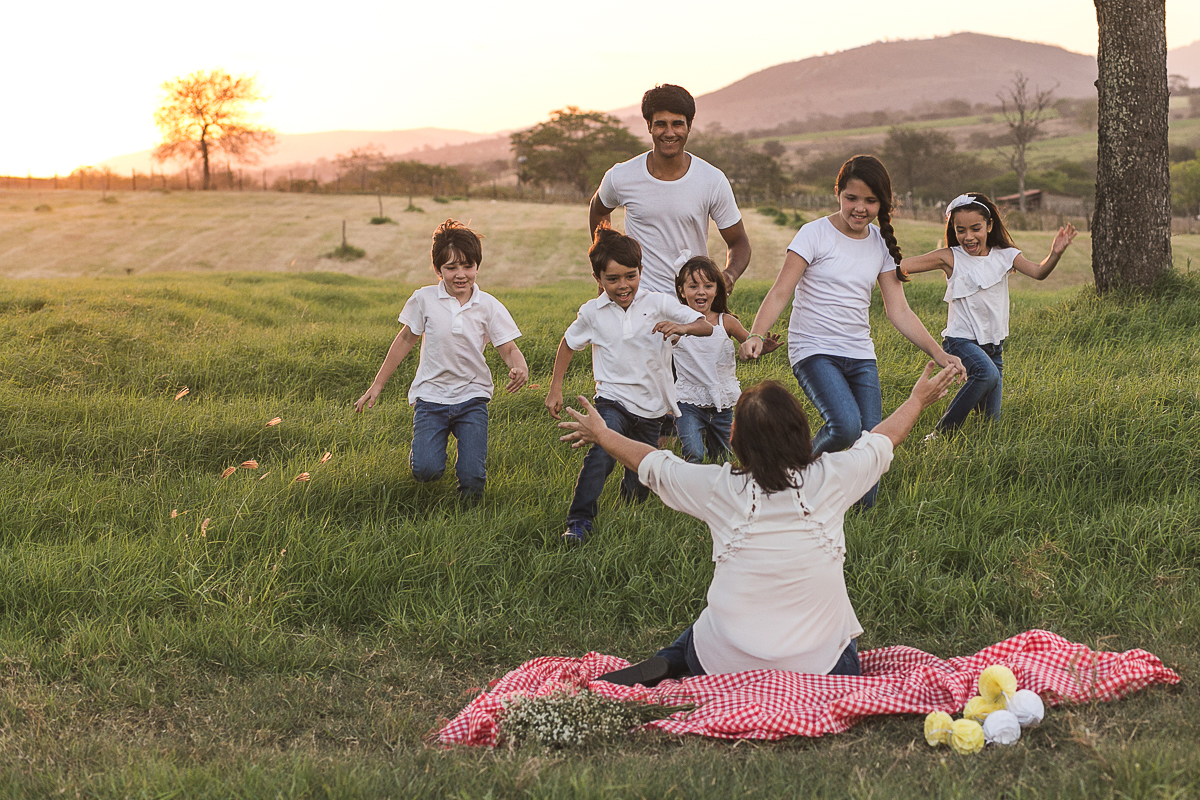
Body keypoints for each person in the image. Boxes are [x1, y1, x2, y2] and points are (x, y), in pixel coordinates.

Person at [555, 364, 957, 684]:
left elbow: (651, 462)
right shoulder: (834, 476)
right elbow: (882, 439)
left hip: (725, 661)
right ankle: (691, 658)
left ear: (737, 441)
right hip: (821, 667)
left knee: (704, 627)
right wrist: (918, 399)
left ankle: (668, 662)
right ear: (802, 434)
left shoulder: (718, 488)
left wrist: (603, 433)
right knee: (840, 638)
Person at [739, 155, 964, 508]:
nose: (860, 208)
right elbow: (781, 290)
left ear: (882, 203)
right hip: (813, 350)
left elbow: (899, 310)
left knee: (873, 441)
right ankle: (790, 478)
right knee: (844, 425)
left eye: (870, 201)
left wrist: (940, 353)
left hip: (859, 353)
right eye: (852, 198)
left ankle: (861, 516)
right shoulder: (813, 234)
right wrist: (755, 333)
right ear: (838, 194)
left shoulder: (880, 245)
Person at [546, 227, 714, 545]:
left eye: (630, 275)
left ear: (640, 271)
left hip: (652, 408)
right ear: (598, 278)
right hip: (613, 399)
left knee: (641, 477)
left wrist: (682, 326)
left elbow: (704, 325)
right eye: (613, 279)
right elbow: (568, 344)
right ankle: (579, 522)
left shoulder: (659, 302)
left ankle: (628, 510)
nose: (623, 285)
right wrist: (555, 388)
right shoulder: (592, 313)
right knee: (602, 452)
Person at [354, 219, 529, 500]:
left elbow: (508, 348)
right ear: (438, 270)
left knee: (473, 477)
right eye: (451, 268)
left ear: (477, 266)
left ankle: (469, 518)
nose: (461, 275)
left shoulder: (488, 306)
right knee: (426, 471)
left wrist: (519, 366)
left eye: (467, 266)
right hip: (431, 398)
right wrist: (377, 385)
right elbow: (405, 340)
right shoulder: (424, 300)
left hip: (473, 397)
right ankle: (422, 453)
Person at [900, 192, 1077, 434]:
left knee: (990, 426)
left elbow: (1038, 272)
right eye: (960, 230)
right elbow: (902, 267)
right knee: (986, 374)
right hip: (961, 341)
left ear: (989, 225)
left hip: (994, 348)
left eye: (976, 228)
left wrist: (1055, 253)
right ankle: (941, 434)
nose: (968, 237)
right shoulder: (950, 257)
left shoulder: (1006, 255)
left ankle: (964, 439)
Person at [590, 84, 751, 296]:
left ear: (689, 125)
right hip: (637, 301)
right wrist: (606, 262)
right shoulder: (621, 175)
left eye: (677, 124)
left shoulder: (712, 180)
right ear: (649, 126)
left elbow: (738, 242)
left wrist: (729, 275)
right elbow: (598, 210)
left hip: (691, 302)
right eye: (660, 124)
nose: (669, 133)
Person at [671, 254, 779, 463]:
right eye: (693, 286)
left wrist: (761, 348)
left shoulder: (725, 322)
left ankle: (719, 490)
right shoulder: (677, 324)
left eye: (708, 286)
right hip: (687, 402)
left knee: (722, 456)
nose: (701, 291)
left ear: (717, 290)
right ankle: (691, 490)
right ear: (682, 292)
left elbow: (748, 344)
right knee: (694, 453)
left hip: (721, 404)